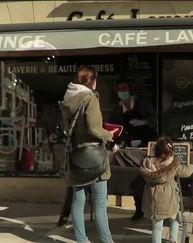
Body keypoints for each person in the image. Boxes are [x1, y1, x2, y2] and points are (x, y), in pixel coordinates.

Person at [61, 65, 117, 243]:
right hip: (94, 156)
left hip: (77, 155)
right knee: (100, 202)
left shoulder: (67, 99)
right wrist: (109, 135)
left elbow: (67, 128)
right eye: (95, 79)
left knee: (78, 202)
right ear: (90, 80)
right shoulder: (90, 99)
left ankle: (81, 240)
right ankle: (106, 241)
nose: (96, 82)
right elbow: (94, 128)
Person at [108, 79, 158, 220]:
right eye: (120, 89)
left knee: (150, 176)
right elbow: (111, 128)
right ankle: (139, 208)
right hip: (129, 147)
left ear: (130, 89)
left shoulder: (143, 104)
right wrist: (115, 143)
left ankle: (154, 207)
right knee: (134, 177)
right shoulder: (117, 110)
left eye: (125, 88)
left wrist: (143, 122)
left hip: (147, 145)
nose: (122, 91)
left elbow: (154, 119)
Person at [140, 137, 193, 243]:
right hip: (169, 199)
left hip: (153, 199)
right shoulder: (173, 165)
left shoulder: (147, 162)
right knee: (175, 219)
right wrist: (191, 165)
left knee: (157, 227)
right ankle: (173, 240)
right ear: (170, 152)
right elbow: (187, 172)